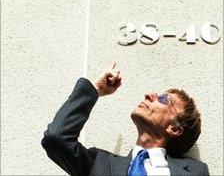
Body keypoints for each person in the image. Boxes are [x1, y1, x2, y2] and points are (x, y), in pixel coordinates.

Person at [41, 62, 209, 176]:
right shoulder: (100, 164)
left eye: (163, 99)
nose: (149, 95)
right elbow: (56, 138)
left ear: (174, 128)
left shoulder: (195, 171)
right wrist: (94, 90)